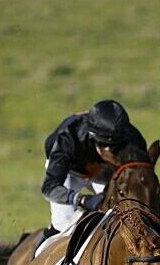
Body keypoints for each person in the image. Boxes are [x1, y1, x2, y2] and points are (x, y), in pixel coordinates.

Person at [40, 100, 148, 237]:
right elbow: (49, 188)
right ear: (92, 136)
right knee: (63, 226)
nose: (109, 149)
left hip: (106, 171)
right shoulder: (68, 139)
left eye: (116, 146)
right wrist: (82, 200)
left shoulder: (134, 139)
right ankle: (39, 249)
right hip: (70, 171)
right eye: (103, 144)